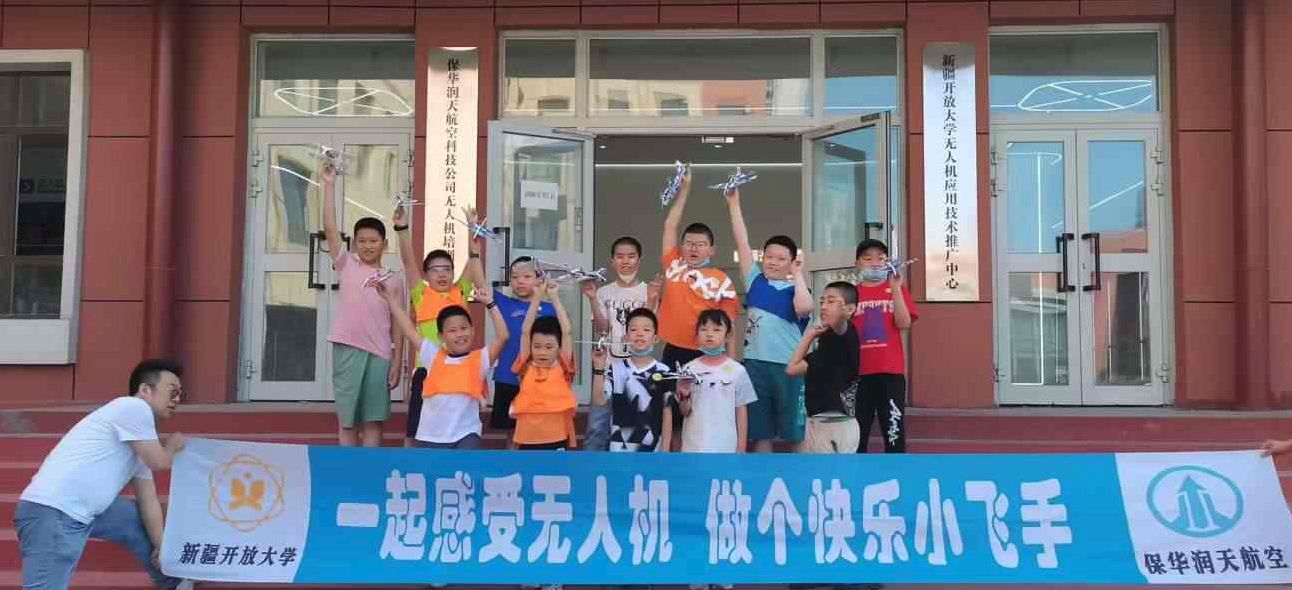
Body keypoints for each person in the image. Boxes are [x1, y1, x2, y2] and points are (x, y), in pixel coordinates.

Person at [16, 359, 191, 590]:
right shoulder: (133, 407)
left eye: (181, 394)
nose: (177, 399)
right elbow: (160, 461)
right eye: (172, 391)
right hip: (53, 512)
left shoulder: (139, 438)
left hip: (84, 511)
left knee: (136, 517)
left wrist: (161, 547)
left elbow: (148, 500)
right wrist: (173, 445)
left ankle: (172, 578)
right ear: (145, 390)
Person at [725, 188, 813, 453]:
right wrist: (733, 204)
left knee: (794, 433)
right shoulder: (755, 281)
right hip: (755, 366)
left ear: (792, 262)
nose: (773, 262)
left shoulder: (796, 289)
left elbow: (805, 307)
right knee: (760, 433)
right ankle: (761, 476)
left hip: (789, 368)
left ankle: (801, 476)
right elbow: (742, 242)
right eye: (769, 257)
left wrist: (798, 275)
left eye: (781, 259)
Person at [390, 205, 486, 447]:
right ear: (426, 275)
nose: (442, 275)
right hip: (428, 370)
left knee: (457, 429)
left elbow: (474, 263)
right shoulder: (421, 293)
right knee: (415, 429)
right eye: (435, 270)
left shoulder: (460, 290)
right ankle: (412, 467)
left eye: (447, 270)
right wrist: (402, 228)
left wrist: (473, 228)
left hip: (459, 370)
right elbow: (408, 261)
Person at [322, 164, 403, 447]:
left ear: (385, 243)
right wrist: (329, 184)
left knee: (373, 420)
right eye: (362, 241)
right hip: (348, 348)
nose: (368, 246)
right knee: (348, 419)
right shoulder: (347, 264)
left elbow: (399, 324)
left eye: (374, 241)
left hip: (380, 354)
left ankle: (370, 469)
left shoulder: (393, 279)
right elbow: (330, 228)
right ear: (354, 244)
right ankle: (349, 468)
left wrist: (397, 362)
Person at [377, 279, 507, 449]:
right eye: (452, 331)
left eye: (464, 328)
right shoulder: (433, 355)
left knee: (466, 465)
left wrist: (490, 304)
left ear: (472, 330)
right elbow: (408, 329)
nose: (459, 334)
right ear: (441, 337)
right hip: (432, 436)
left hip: (467, 435)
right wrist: (391, 300)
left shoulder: (480, 358)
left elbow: (503, 336)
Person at [581, 236, 661, 451]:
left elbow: (649, 327)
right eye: (620, 256)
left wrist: (652, 299)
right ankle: (593, 468)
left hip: (638, 371)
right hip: (609, 368)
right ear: (612, 261)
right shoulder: (604, 292)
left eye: (631, 256)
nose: (626, 261)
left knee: (636, 430)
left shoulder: (649, 290)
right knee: (597, 427)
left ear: (640, 260)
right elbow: (602, 329)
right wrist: (592, 298)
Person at [657, 169, 741, 371]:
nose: (694, 248)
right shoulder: (673, 264)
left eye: (701, 244)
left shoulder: (722, 280)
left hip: (709, 351)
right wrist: (685, 189)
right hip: (674, 349)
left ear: (712, 250)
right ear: (681, 246)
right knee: (672, 392)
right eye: (689, 243)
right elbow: (670, 225)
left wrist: (731, 364)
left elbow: (729, 324)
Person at [853, 239, 917, 453]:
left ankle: (897, 472)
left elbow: (904, 323)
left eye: (881, 258)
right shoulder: (851, 293)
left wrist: (896, 289)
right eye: (867, 258)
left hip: (890, 372)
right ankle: (855, 472)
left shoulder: (898, 289)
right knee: (856, 435)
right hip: (857, 374)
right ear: (857, 264)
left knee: (893, 433)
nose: (875, 263)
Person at [788, 282, 862, 454]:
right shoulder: (823, 346)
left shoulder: (847, 334)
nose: (823, 306)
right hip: (816, 423)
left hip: (842, 424)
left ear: (849, 309)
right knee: (818, 470)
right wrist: (809, 335)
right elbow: (792, 368)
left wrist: (842, 314)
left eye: (831, 301)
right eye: (822, 301)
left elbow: (841, 324)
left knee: (842, 471)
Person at [591, 308, 676, 453]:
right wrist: (598, 368)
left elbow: (667, 413)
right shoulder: (615, 369)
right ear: (625, 338)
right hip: (618, 450)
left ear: (655, 338)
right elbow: (599, 401)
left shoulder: (664, 371)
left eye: (646, 330)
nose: (640, 334)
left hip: (652, 450)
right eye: (633, 329)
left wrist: (665, 450)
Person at [490, 257, 555, 441]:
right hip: (507, 376)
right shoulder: (503, 303)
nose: (520, 281)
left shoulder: (551, 309)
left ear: (539, 279)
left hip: (540, 379)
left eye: (527, 276)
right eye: (515, 277)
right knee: (509, 432)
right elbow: (479, 282)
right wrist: (474, 254)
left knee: (537, 431)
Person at [511, 279, 578, 451]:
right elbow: (525, 331)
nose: (542, 352)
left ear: (558, 348)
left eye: (549, 347)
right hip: (526, 438)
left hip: (557, 436)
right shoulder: (525, 365)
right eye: (537, 346)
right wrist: (538, 296)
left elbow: (566, 331)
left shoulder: (563, 366)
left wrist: (554, 297)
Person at [676, 310, 755, 454]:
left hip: (725, 447)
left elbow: (741, 411)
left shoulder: (738, 370)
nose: (709, 334)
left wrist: (741, 447)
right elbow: (684, 411)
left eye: (716, 330)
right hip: (693, 447)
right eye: (704, 329)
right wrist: (685, 396)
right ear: (696, 336)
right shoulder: (688, 369)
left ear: (728, 336)